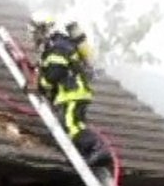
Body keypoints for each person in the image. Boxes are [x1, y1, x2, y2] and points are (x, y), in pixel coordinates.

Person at [27, 15, 110, 168]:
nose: (34, 37)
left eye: (36, 32)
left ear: (44, 30)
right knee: (77, 125)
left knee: (69, 124)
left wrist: (40, 84)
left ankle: (96, 148)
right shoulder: (62, 44)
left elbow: (54, 73)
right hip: (77, 92)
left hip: (71, 92)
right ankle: (89, 152)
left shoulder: (56, 46)